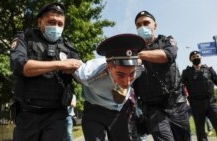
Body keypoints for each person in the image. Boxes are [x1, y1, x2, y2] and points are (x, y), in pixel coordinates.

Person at [10, 2, 82, 141]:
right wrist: (60, 64)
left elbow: (82, 73)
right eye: (51, 22)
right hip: (28, 115)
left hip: (57, 115)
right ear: (40, 22)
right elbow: (21, 66)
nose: (56, 27)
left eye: (60, 24)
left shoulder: (68, 47)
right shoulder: (24, 38)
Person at [73, 33, 145, 141]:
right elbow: (72, 68)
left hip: (119, 111)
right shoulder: (89, 74)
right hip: (94, 110)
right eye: (120, 75)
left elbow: (139, 62)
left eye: (131, 74)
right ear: (109, 67)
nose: (127, 82)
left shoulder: (138, 69)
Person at [132, 11, 191, 141]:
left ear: (155, 26)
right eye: (138, 25)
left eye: (146, 23)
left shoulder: (166, 41)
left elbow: (168, 55)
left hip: (176, 105)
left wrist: (139, 55)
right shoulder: (133, 49)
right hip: (153, 109)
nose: (142, 27)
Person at [181, 50, 217, 141]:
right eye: (193, 56)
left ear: (201, 57)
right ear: (190, 59)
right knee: (200, 131)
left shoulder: (209, 70)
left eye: (197, 56)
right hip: (196, 104)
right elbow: (181, 87)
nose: (196, 57)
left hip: (211, 102)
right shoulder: (186, 72)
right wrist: (186, 99)